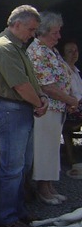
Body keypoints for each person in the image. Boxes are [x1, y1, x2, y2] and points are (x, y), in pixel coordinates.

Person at [0, 5, 49, 227]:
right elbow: (20, 85)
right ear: (17, 24)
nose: (33, 34)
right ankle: (7, 218)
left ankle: (18, 211)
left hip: (19, 110)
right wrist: (39, 102)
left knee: (23, 165)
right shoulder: (5, 48)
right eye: (31, 29)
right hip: (9, 111)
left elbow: (29, 79)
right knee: (12, 168)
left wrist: (40, 97)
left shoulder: (16, 47)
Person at [26, 12, 77, 205]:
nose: (59, 36)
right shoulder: (38, 52)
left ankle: (48, 185)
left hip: (57, 108)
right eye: (55, 32)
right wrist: (70, 100)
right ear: (43, 32)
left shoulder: (50, 50)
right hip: (45, 109)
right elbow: (47, 86)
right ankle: (42, 189)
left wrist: (68, 100)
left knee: (52, 148)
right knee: (44, 148)